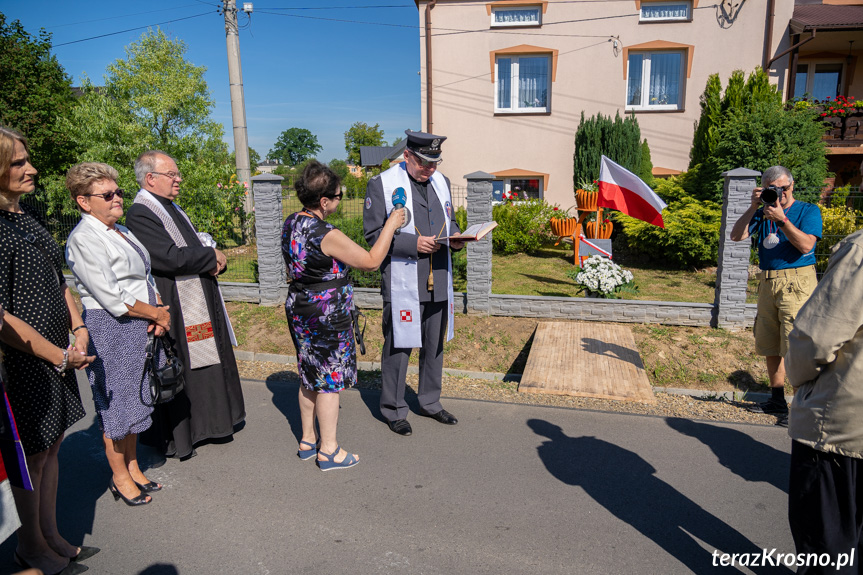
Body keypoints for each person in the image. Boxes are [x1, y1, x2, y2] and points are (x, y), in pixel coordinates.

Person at [0, 126, 96, 575]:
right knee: (31, 457)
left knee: (52, 448)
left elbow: (59, 282)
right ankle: (31, 547)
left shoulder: (26, 217)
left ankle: (52, 535)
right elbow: (1, 317)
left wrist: (77, 326)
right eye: (18, 162)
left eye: (27, 159)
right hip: (25, 363)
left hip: (59, 356)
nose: (31, 168)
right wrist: (55, 354)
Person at [282, 161, 404, 469]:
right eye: (338, 195)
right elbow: (371, 261)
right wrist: (391, 224)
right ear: (324, 201)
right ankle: (330, 450)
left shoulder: (291, 222)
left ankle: (308, 440)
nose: (340, 198)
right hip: (326, 312)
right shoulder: (327, 233)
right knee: (330, 381)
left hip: (299, 304)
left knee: (309, 371)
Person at [125, 150, 245, 460]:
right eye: (172, 174)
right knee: (188, 363)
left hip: (196, 297)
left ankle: (216, 421)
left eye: (177, 174)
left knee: (208, 359)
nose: (179, 178)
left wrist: (210, 254)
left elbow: (191, 246)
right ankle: (191, 431)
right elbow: (168, 256)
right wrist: (210, 256)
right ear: (150, 178)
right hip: (178, 302)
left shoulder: (169, 206)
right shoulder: (141, 213)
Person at [65, 162, 172, 506]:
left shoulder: (122, 230)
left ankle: (133, 466)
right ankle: (120, 477)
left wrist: (156, 310)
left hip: (138, 322)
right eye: (107, 195)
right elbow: (113, 297)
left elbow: (145, 275)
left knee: (136, 398)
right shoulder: (83, 238)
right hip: (111, 327)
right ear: (84, 201)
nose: (117, 199)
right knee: (115, 408)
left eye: (119, 192)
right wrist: (155, 313)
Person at [363, 130, 465, 436]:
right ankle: (393, 409)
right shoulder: (381, 184)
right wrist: (412, 244)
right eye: (423, 162)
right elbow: (372, 235)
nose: (430, 169)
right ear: (407, 155)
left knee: (434, 346)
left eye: (434, 162)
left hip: (439, 276)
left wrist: (459, 237)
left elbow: (451, 220)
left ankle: (430, 402)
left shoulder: (442, 182)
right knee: (399, 346)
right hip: (402, 280)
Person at [785, 228, 863, 574]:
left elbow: (816, 338)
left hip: (841, 429)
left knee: (827, 548)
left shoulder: (859, 250)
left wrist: (799, 380)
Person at [730, 165, 821, 423]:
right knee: (770, 343)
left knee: (795, 346)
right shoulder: (762, 212)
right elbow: (736, 235)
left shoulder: (808, 210)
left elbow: (806, 245)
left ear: (791, 186)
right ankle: (777, 401)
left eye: (780, 188)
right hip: (768, 282)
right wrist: (752, 207)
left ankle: (800, 408)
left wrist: (782, 219)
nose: (776, 194)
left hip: (797, 282)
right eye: (771, 189)